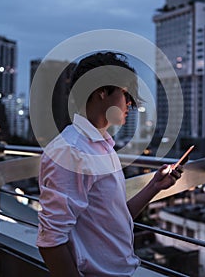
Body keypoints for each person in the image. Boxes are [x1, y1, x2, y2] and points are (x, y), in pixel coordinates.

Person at [36, 51, 182, 277]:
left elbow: (113, 220)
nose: (131, 104)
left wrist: (154, 186)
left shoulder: (101, 145)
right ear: (102, 92)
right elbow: (50, 241)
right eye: (125, 94)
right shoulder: (71, 152)